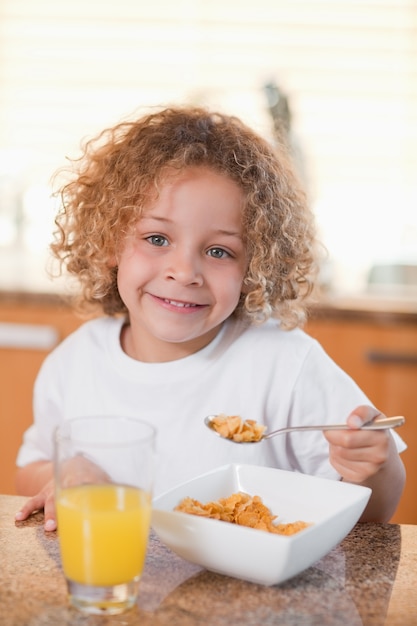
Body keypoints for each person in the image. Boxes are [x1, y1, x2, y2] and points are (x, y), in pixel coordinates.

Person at [15, 105, 406, 532]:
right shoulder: (74, 362)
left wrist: (373, 466)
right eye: (157, 238)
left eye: (219, 251)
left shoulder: (287, 364)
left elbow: (373, 512)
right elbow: (32, 466)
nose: (184, 272)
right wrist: (65, 476)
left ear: (254, 264)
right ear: (110, 243)